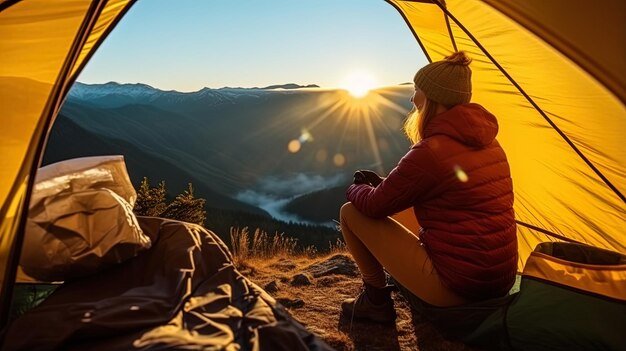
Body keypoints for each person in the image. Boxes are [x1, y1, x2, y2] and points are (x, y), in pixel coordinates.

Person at [340, 51, 518, 324]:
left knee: (351, 212)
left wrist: (357, 189)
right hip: (497, 280)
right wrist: (383, 187)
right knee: (398, 209)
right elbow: (441, 195)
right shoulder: (490, 143)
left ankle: (375, 301)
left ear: (433, 97)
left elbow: (374, 206)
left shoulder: (431, 151)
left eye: (417, 90)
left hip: (459, 288)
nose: (412, 98)